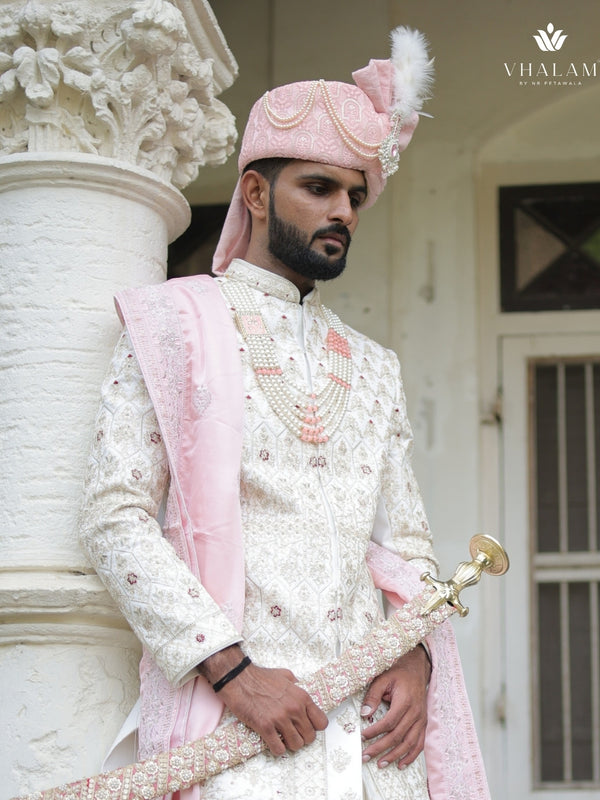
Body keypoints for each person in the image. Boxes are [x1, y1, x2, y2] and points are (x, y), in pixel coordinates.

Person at [79, 27, 488, 800]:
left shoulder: (373, 365)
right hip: (238, 735)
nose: (344, 212)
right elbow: (113, 517)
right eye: (320, 188)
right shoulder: (173, 325)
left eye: (357, 195)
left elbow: (406, 543)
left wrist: (416, 658)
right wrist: (233, 671)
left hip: (373, 745)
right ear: (257, 194)